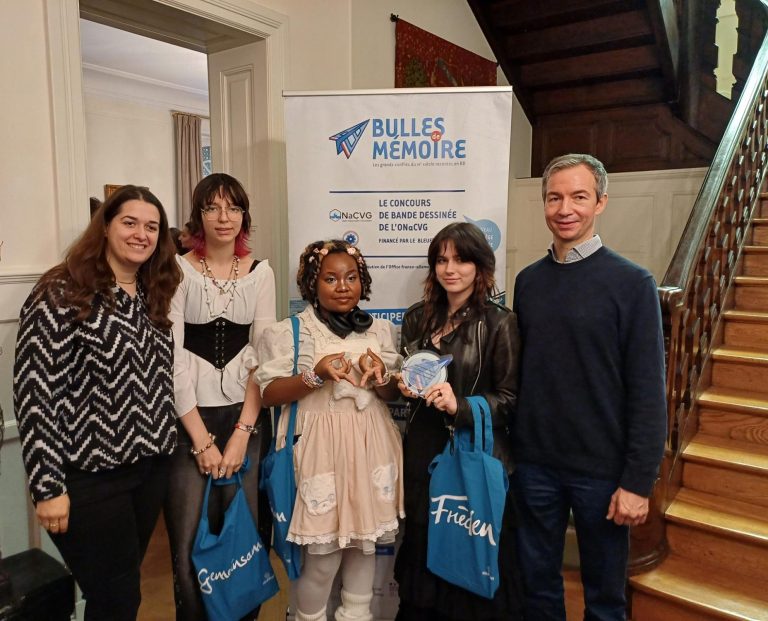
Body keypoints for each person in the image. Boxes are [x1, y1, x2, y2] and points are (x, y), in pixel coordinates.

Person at [13, 185, 181, 620]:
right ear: (105, 226)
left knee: (117, 596)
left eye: (152, 226)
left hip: (149, 468)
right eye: (130, 222)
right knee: (117, 601)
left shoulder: (152, 289)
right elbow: (36, 393)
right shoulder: (62, 289)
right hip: (89, 476)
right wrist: (47, 486)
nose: (141, 234)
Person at [512, 153, 667, 620]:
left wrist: (637, 482)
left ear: (600, 202)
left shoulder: (633, 284)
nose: (565, 209)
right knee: (537, 591)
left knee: (604, 600)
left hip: (602, 472)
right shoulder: (528, 282)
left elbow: (648, 390)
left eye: (579, 197)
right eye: (554, 198)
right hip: (535, 466)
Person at [255, 239, 404, 621]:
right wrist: (316, 375)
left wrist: (381, 375)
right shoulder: (290, 332)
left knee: (363, 550)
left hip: (370, 448)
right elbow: (268, 394)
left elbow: (391, 393)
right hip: (319, 453)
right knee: (321, 562)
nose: (343, 287)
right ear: (312, 283)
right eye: (331, 278)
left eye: (351, 277)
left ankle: (357, 614)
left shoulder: (380, 331)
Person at [395, 222, 524, 621]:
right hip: (423, 451)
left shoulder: (499, 322)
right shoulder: (417, 318)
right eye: (441, 260)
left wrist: (461, 405)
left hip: (474, 453)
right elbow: (409, 375)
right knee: (423, 554)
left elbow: (510, 401)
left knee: (467, 553)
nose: (450, 269)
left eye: (461, 260)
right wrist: (403, 386)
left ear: (480, 266)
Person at [164, 173, 276, 620]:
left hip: (244, 418)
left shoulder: (261, 273)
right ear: (198, 216)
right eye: (212, 207)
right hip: (187, 419)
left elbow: (263, 359)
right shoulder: (177, 270)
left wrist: (242, 433)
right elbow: (172, 360)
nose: (223, 217)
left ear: (244, 216)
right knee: (188, 540)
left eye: (233, 207)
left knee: (243, 535)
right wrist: (201, 441)